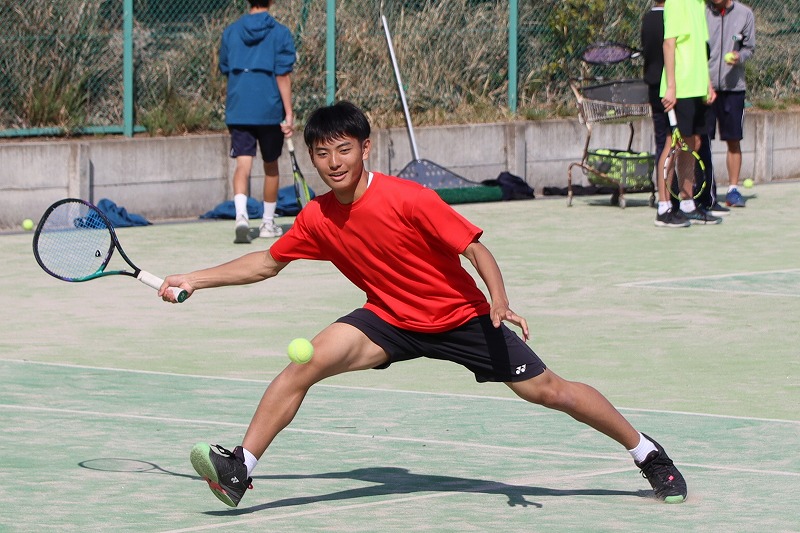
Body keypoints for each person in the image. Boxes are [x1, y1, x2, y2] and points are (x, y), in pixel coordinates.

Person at [160, 101, 688, 507]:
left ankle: (647, 452)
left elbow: (475, 248)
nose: (333, 162)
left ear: (366, 149)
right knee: (307, 363)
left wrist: (499, 300)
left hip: (461, 318)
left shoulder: (409, 198)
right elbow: (266, 263)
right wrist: (194, 279)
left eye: (344, 150)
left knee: (550, 391)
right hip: (389, 319)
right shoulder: (317, 217)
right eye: (322, 153)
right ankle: (241, 469)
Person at [219, 0, 296, 243]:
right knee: (271, 166)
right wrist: (289, 112)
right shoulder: (281, 33)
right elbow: (282, 75)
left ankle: (241, 217)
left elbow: (225, 67)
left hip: (239, 108)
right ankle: (267, 223)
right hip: (269, 109)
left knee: (243, 164)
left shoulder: (231, 32)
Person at [655, 0, 721, 227]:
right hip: (679, 90)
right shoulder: (676, 3)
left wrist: (707, 84)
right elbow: (669, 44)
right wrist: (671, 86)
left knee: (692, 144)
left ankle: (687, 204)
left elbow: (700, 49)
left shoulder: (699, 4)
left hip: (696, 89)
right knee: (672, 145)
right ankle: (664, 208)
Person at [704, 0, 755, 208]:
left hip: (734, 89)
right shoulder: (702, 12)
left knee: (733, 140)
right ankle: (704, 189)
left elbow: (749, 47)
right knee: (702, 141)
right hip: (704, 89)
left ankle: (733, 190)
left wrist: (739, 56)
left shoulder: (745, 14)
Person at [641, 1, 669, 201]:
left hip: (653, 87)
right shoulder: (671, 19)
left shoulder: (647, 18)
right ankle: (669, 196)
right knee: (672, 143)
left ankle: (663, 196)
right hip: (670, 89)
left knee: (662, 142)